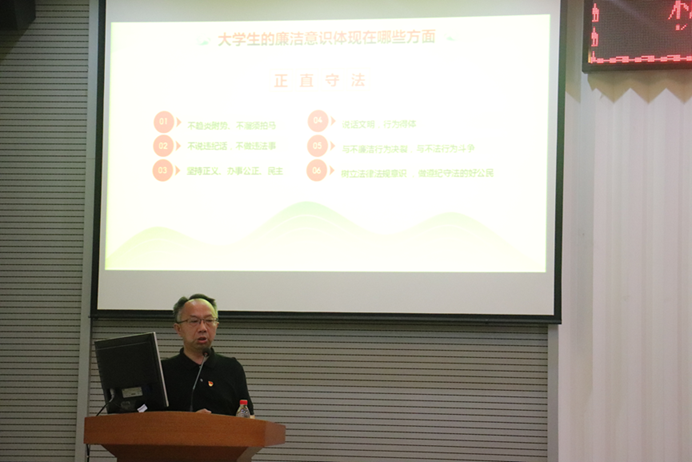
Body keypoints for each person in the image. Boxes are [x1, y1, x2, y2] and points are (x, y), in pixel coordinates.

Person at [161, 293, 254, 417]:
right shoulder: (163, 371)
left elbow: (248, 416)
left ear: (216, 326)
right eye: (194, 321)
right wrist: (190, 423)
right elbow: (151, 421)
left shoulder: (232, 369)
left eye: (209, 321)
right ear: (178, 329)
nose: (203, 328)